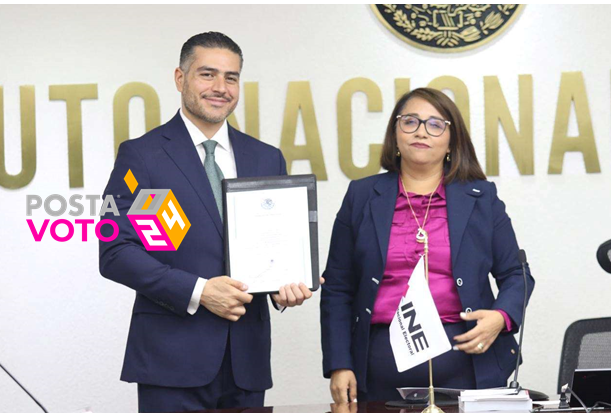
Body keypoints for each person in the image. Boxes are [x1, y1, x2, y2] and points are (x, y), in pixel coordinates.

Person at [99, 32, 316, 413]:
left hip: (245, 363)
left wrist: (286, 286)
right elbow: (116, 251)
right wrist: (199, 291)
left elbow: (273, 248)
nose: (220, 87)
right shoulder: (144, 156)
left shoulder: (266, 159)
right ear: (180, 78)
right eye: (207, 74)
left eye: (231, 77)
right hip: (171, 363)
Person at [320, 88, 535, 403]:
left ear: (452, 140)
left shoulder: (480, 197)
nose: (421, 131)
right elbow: (338, 286)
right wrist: (339, 363)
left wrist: (501, 317)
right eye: (410, 121)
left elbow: (517, 274)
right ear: (395, 133)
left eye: (436, 124)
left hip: (470, 366)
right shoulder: (362, 196)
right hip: (378, 371)